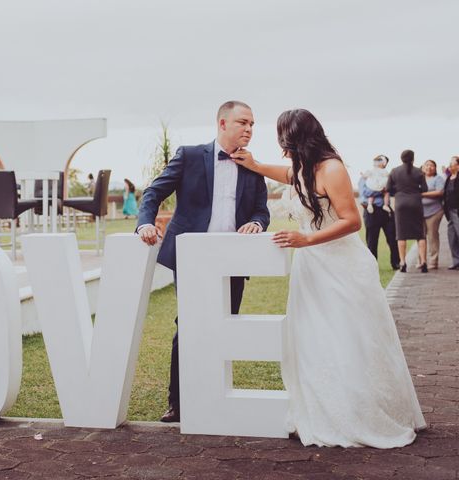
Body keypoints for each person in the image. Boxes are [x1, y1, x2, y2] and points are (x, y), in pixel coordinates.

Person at [232, 109, 425, 448]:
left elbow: (352, 221)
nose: (281, 144)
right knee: (313, 337)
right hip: (312, 268)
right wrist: (256, 165)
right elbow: (288, 173)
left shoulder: (332, 169)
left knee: (349, 337)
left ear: (296, 137)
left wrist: (305, 239)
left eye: (284, 136)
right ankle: (322, 407)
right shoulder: (305, 169)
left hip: (342, 267)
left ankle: (358, 413)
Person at [137, 100, 270, 423]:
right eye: (243, 122)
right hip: (194, 257)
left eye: (252, 124)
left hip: (234, 259)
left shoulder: (254, 166)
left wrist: (258, 223)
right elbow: (153, 193)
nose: (249, 129)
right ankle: (178, 403)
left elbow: (261, 210)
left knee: (227, 327)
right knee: (189, 327)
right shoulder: (190, 155)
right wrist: (145, 223)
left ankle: (215, 397)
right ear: (222, 124)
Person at [386, 150, 428, 273]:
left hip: (401, 204)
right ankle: (423, 262)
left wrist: (399, 192)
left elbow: (388, 189)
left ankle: (403, 262)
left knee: (401, 234)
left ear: (401, 158)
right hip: (416, 203)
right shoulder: (419, 172)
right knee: (420, 234)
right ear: (413, 158)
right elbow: (424, 189)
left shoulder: (394, 171)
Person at [358, 155, 400, 270]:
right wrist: (380, 190)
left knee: (392, 238)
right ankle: (373, 266)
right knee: (372, 240)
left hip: (386, 210)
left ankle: (396, 263)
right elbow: (365, 192)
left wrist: (382, 190)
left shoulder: (388, 176)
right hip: (371, 210)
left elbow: (391, 191)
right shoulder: (366, 176)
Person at [420, 160, 446, 269]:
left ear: (435, 168)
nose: (429, 167)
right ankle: (422, 261)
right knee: (421, 237)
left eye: (432, 166)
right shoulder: (419, 179)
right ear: (423, 167)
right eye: (427, 165)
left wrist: (421, 194)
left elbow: (440, 192)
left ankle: (433, 261)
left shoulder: (438, 179)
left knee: (432, 236)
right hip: (420, 212)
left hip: (434, 212)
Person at [444, 155, 459, 270]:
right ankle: (456, 261)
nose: (450, 165)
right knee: (452, 236)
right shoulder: (449, 178)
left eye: (452, 163)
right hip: (450, 211)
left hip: (457, 211)